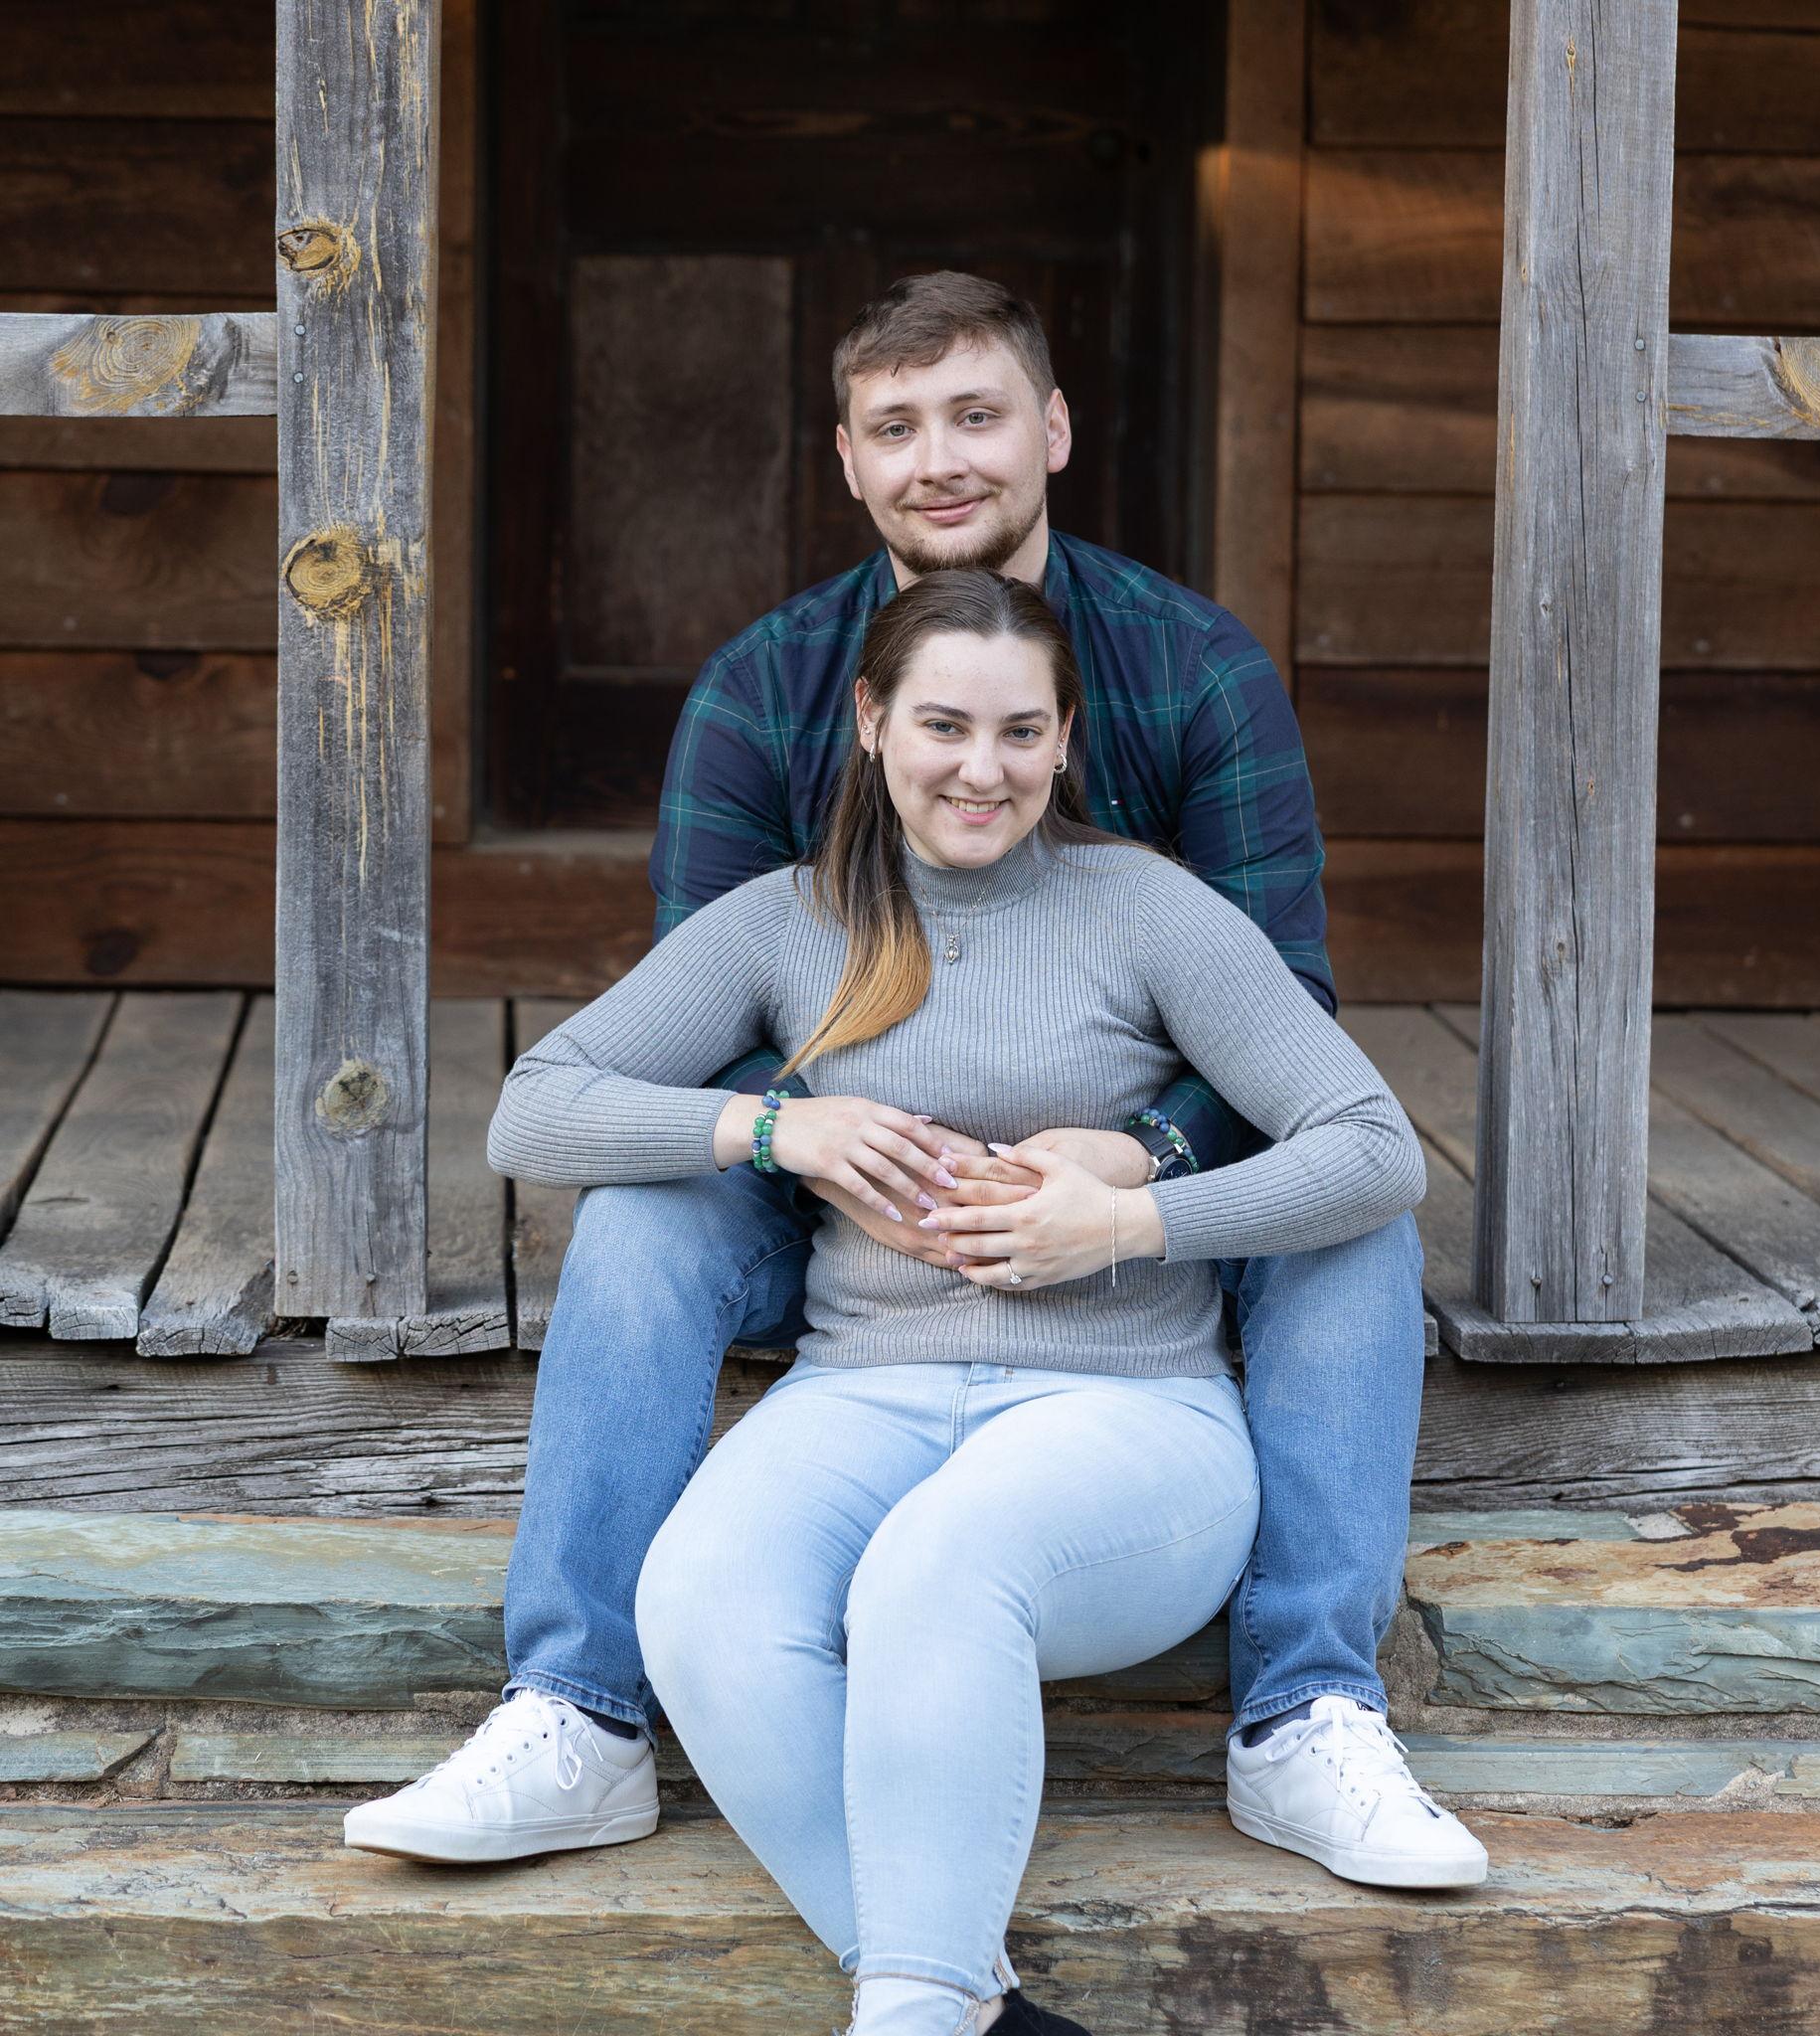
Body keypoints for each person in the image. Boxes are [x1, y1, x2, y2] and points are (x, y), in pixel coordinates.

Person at [343, 271, 1487, 1899]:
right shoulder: (766, 686)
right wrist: (795, 1133)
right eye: (897, 427)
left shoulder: (1193, 667)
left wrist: (1141, 1159)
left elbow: (1289, 1015)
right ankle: (579, 1714)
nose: (940, 459)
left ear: (1053, 432)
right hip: (835, 1169)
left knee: (1356, 1235)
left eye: (976, 414)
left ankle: (1307, 1712)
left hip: (1136, 1185)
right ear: (850, 460)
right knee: (642, 1224)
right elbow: (705, 1019)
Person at [487, 569, 1427, 2036]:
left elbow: (1372, 1146)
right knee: (697, 1601)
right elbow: (534, 1110)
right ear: (870, 723)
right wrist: (771, 1129)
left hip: (1124, 1416)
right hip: (859, 1391)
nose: (981, 769)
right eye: (942, 725)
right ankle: (956, 2001)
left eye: (1019, 732)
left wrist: (1131, 1219)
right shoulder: (785, 925)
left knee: (936, 1569)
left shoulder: (1147, 911)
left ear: (1065, 740)